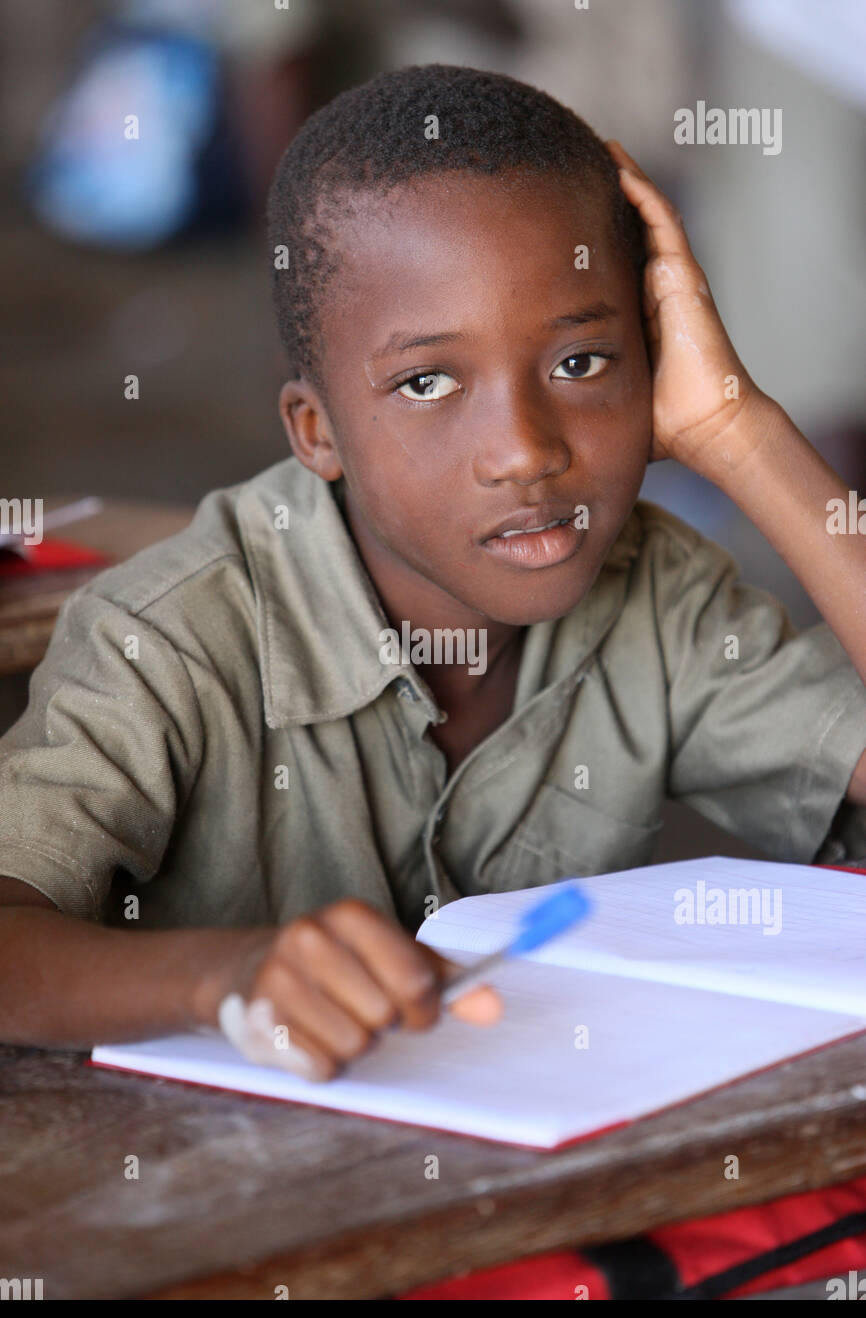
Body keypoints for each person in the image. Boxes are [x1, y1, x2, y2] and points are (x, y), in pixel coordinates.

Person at [1, 65, 864, 1082]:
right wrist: (220, 974)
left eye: (579, 362)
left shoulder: (658, 590)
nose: (522, 451)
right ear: (315, 432)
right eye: (426, 381)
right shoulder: (169, 636)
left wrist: (737, 430)